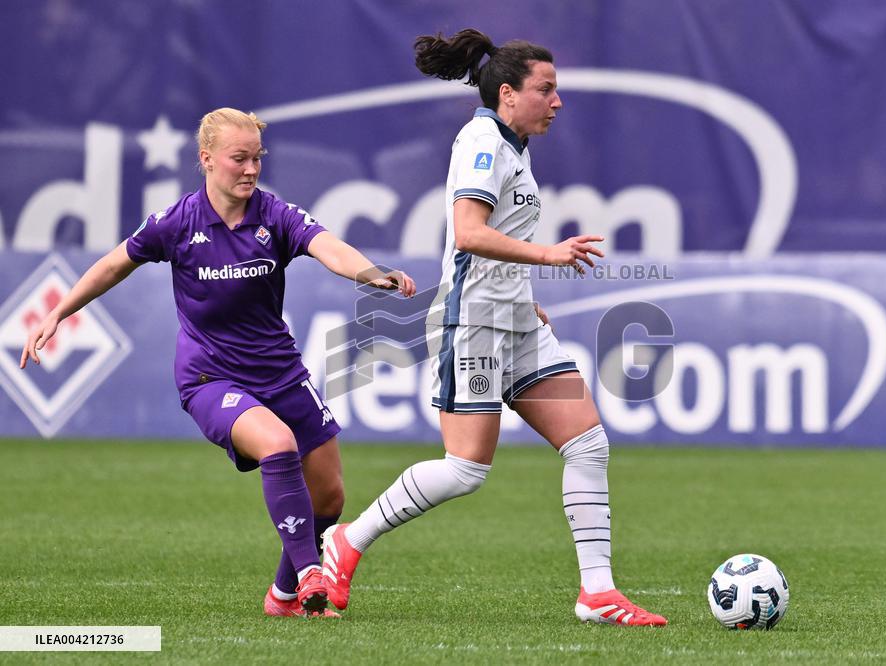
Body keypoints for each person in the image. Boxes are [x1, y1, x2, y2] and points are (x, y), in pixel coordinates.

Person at [320, 29, 667, 627]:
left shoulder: (512, 143)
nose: (557, 102)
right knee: (465, 469)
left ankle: (597, 594)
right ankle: (348, 540)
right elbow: (471, 232)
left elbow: (486, 245)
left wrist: (521, 297)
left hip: (515, 321)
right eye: (546, 89)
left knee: (587, 443)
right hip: (473, 324)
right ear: (508, 93)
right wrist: (550, 256)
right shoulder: (483, 141)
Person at [20, 107, 416, 619]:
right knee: (277, 445)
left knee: (329, 497)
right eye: (238, 159)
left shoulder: (276, 215)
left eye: (257, 158)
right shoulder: (177, 222)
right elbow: (114, 263)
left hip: (280, 372)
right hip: (210, 376)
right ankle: (309, 574)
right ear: (206, 160)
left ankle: (283, 598)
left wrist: (370, 273)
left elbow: (327, 247)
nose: (250, 169)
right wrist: (59, 311)